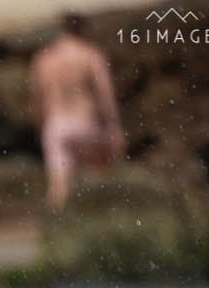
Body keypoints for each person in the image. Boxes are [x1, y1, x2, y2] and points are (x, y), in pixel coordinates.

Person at [32, 13, 125, 209]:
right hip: (85, 122)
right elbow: (105, 95)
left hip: (56, 125)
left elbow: (39, 98)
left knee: (58, 187)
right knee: (98, 180)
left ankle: (55, 231)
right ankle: (96, 228)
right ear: (83, 28)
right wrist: (114, 127)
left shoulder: (45, 58)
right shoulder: (90, 55)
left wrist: (41, 126)